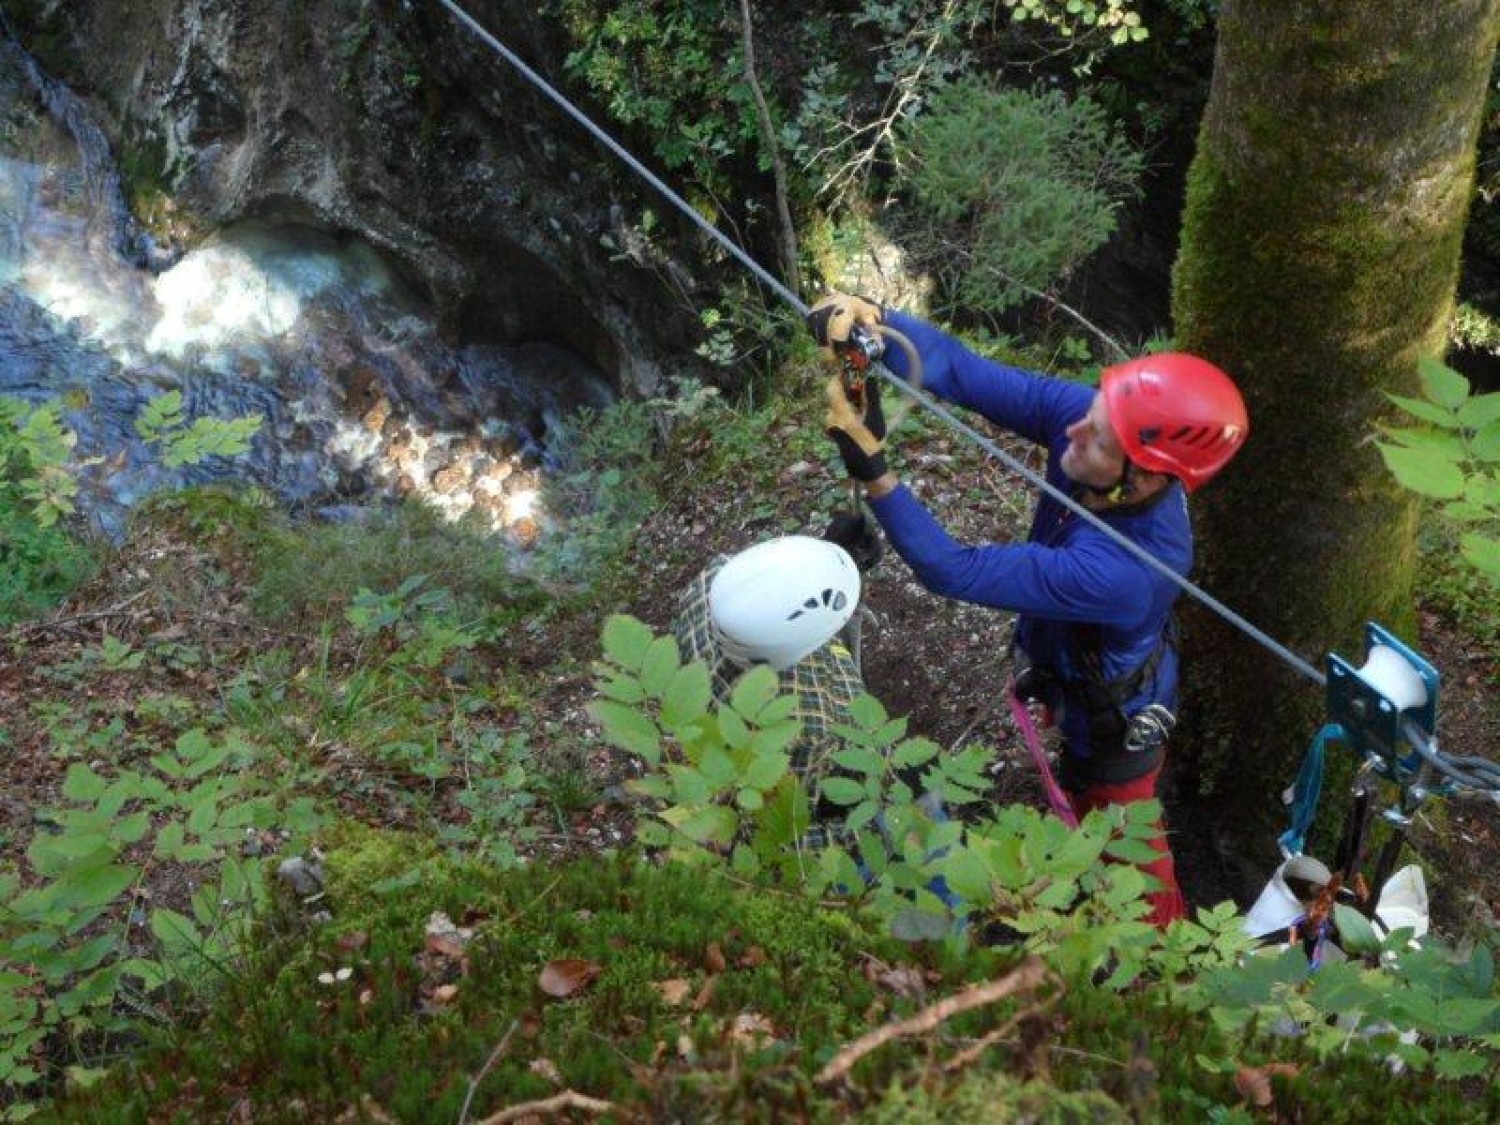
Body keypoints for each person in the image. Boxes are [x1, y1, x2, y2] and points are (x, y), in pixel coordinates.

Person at [806, 292, 1249, 927]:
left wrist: (877, 475)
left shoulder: (1129, 569)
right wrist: (876, 321)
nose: (1072, 430)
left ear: (1147, 479)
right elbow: (960, 372)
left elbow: (951, 569)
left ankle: (1168, 959)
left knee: (1130, 847)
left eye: (1095, 438)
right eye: (1091, 413)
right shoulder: (1104, 434)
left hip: (1111, 724)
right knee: (1089, 798)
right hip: (1075, 668)